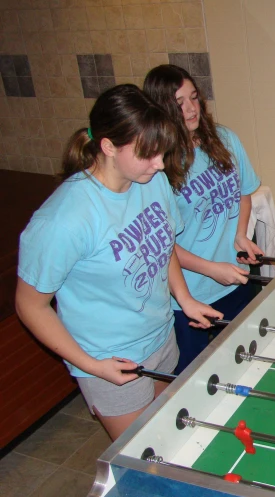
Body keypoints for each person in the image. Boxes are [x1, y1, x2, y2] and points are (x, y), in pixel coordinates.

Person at [16, 84, 222, 441]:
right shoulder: (64, 219)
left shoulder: (151, 181)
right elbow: (30, 305)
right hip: (110, 361)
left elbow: (164, 243)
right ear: (108, 146)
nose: (160, 164)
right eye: (148, 154)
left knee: (167, 436)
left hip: (160, 339)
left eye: (162, 152)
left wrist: (184, 298)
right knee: (141, 453)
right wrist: (90, 366)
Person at [144, 65, 264, 374]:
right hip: (190, 294)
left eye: (194, 97)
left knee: (247, 362)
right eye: (179, 103)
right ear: (161, 110)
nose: (191, 108)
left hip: (235, 276)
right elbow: (164, 246)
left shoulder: (224, 138)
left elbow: (244, 192)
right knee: (194, 377)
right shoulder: (156, 168)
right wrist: (212, 269)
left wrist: (240, 235)